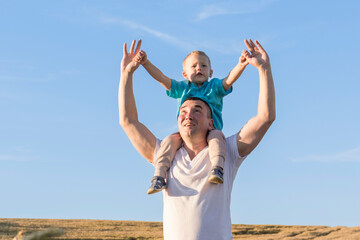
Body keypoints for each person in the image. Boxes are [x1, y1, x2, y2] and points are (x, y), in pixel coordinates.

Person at [119, 39, 275, 240]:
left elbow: (265, 117)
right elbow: (128, 121)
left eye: (197, 110)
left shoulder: (228, 150)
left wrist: (264, 70)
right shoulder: (166, 153)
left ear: (211, 123)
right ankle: (158, 179)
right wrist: (126, 74)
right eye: (182, 111)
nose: (188, 114)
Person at [133, 47, 249, 194]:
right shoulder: (182, 88)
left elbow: (229, 79)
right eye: (193, 66)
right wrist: (145, 63)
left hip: (211, 130)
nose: (199, 68)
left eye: (203, 66)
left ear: (210, 72)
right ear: (185, 74)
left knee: (217, 139)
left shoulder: (214, 87)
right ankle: (159, 176)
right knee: (169, 141)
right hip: (187, 132)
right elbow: (162, 78)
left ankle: (217, 168)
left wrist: (241, 64)